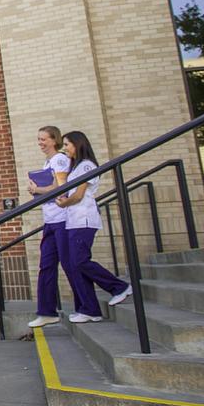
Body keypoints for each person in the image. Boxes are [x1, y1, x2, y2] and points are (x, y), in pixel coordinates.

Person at [57, 131, 133, 322]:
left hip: (84, 220)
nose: (64, 148)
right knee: (76, 265)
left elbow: (79, 195)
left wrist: (63, 203)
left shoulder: (86, 166)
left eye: (67, 144)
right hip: (74, 220)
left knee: (80, 261)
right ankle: (90, 309)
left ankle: (119, 287)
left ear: (78, 144)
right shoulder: (75, 167)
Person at [26, 126, 77, 329]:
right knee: (46, 266)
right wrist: (36, 191)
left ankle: (90, 302)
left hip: (63, 220)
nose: (40, 143)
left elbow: (60, 186)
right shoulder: (48, 162)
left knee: (70, 264)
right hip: (50, 220)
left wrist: (37, 189)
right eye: (38, 139)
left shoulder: (60, 160)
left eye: (44, 139)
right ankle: (46, 312)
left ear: (54, 140)